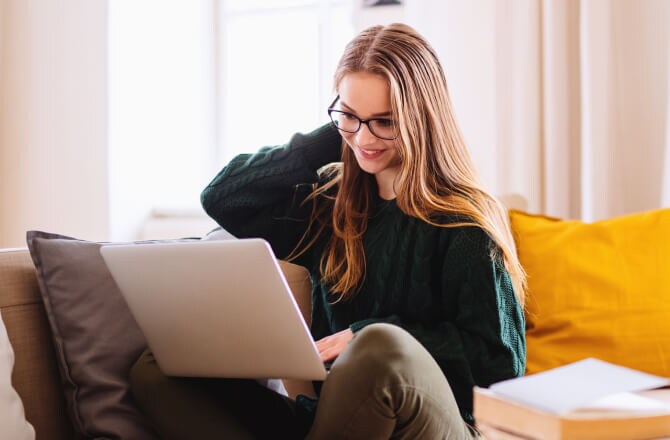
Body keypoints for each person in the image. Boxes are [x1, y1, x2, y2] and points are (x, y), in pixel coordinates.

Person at [130, 23, 526, 439]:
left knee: (379, 348)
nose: (365, 138)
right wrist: (334, 136)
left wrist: (362, 335)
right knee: (159, 368)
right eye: (350, 116)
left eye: (385, 122)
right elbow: (224, 196)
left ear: (421, 118)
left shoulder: (465, 222)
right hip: (334, 421)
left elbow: (500, 366)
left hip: (434, 426)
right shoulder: (330, 205)